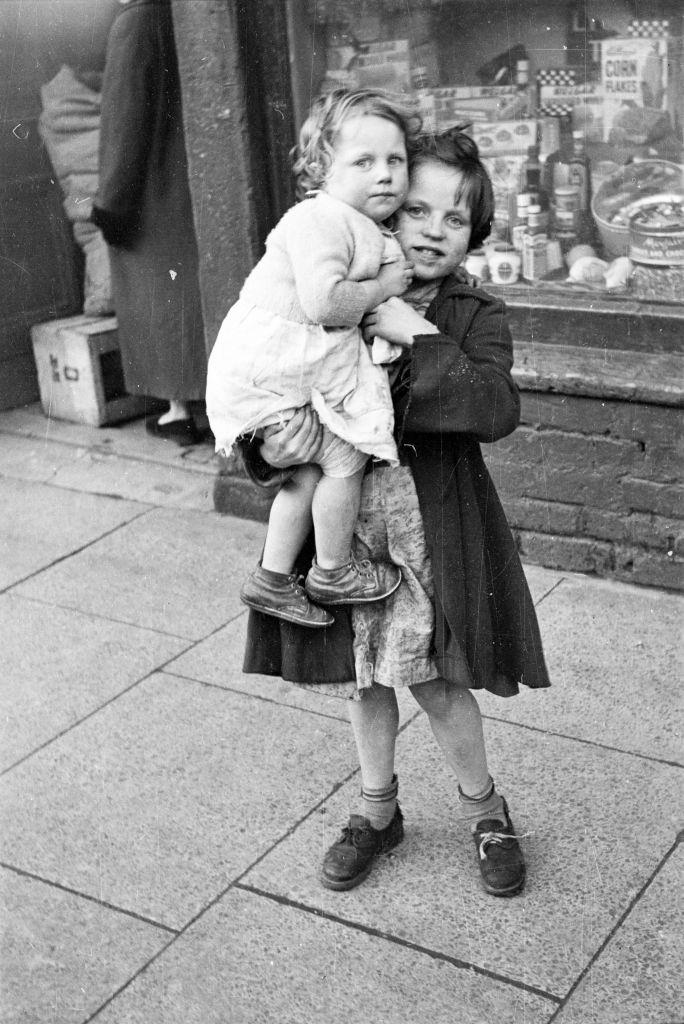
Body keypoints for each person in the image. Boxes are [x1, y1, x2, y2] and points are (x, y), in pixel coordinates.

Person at [239, 127, 551, 898]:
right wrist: (267, 453)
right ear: (387, 212)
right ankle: (379, 811)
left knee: (439, 683)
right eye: (418, 211)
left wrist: (423, 337)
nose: (434, 231)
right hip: (344, 537)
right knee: (362, 680)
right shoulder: (337, 284)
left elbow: (493, 406)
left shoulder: (473, 311)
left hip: (424, 531)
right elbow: (274, 378)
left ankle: (486, 810)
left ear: (475, 232)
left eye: (455, 219)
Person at [206, 89, 420, 628]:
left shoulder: (357, 223)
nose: (385, 175)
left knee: (304, 471)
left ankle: (272, 578)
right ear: (323, 168)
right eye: (364, 162)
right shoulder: (319, 221)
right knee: (345, 457)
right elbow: (326, 304)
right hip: (265, 372)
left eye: (396, 160)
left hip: (278, 370)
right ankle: (333, 569)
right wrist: (384, 287)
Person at [92, 0, 207, 446]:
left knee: (160, 301)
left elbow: (122, 122)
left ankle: (178, 410)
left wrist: (111, 203)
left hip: (152, 196)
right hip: (188, 184)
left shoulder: (135, 20)